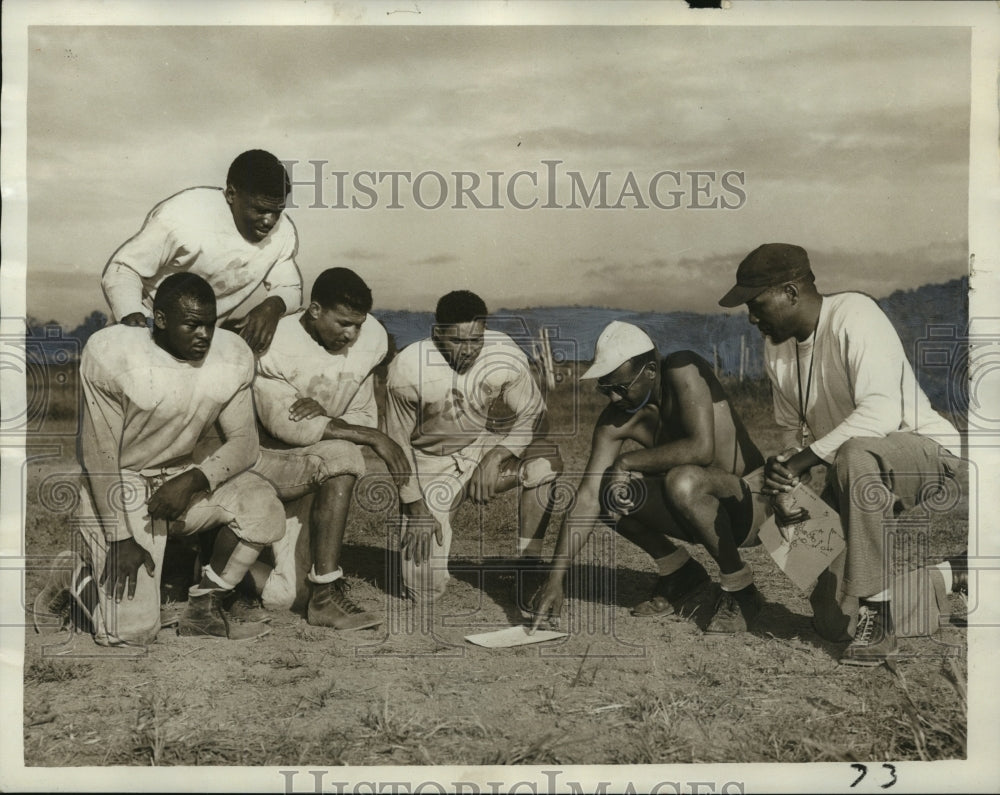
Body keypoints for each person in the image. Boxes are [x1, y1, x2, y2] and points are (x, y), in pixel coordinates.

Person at [718, 243, 963, 665]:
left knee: (855, 454)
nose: (752, 317)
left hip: (923, 453)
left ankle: (879, 613)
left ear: (791, 292)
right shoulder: (777, 348)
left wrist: (802, 459)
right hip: (850, 470)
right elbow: (798, 437)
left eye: (756, 304)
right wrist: (786, 474)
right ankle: (951, 574)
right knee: (833, 623)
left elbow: (881, 413)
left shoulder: (855, 314)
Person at [39, 273, 285, 645]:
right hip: (123, 484)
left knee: (262, 506)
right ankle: (68, 574)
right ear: (162, 319)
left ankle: (203, 609)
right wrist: (120, 537)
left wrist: (194, 480)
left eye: (210, 324)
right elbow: (99, 455)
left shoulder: (231, 355)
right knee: (131, 633)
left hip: (181, 478)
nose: (204, 334)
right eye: (192, 324)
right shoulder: (114, 354)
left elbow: (244, 443)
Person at [530, 321, 770, 634]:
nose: (614, 398)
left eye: (621, 387)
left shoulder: (682, 368)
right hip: (700, 511)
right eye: (606, 388)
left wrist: (626, 462)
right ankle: (679, 571)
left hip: (752, 505)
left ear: (651, 371)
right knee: (606, 491)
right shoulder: (616, 420)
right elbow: (587, 497)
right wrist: (555, 579)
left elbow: (701, 449)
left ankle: (741, 590)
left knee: (681, 481)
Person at [248, 267, 410, 630]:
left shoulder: (371, 339)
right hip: (266, 463)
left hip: (314, 463)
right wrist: (371, 437)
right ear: (316, 309)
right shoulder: (278, 341)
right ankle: (209, 564)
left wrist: (330, 421)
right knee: (346, 452)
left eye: (358, 324)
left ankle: (322, 594)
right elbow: (287, 426)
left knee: (286, 597)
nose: (351, 334)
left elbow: (362, 414)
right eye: (343, 323)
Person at [385, 290, 563, 603]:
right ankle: (447, 506)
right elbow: (395, 447)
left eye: (476, 340)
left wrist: (495, 456)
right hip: (429, 461)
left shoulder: (503, 352)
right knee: (423, 589)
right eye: (458, 341)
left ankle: (528, 565)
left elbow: (536, 417)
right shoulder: (408, 369)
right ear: (437, 333)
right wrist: (416, 508)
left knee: (545, 462)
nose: (468, 351)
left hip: (479, 446)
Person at [101, 149, 302, 353]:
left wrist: (273, 306)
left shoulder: (282, 232)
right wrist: (132, 313)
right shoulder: (184, 215)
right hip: (147, 323)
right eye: (260, 210)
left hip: (200, 339)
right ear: (231, 194)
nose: (269, 220)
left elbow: (289, 287)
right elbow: (123, 268)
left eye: (277, 211)